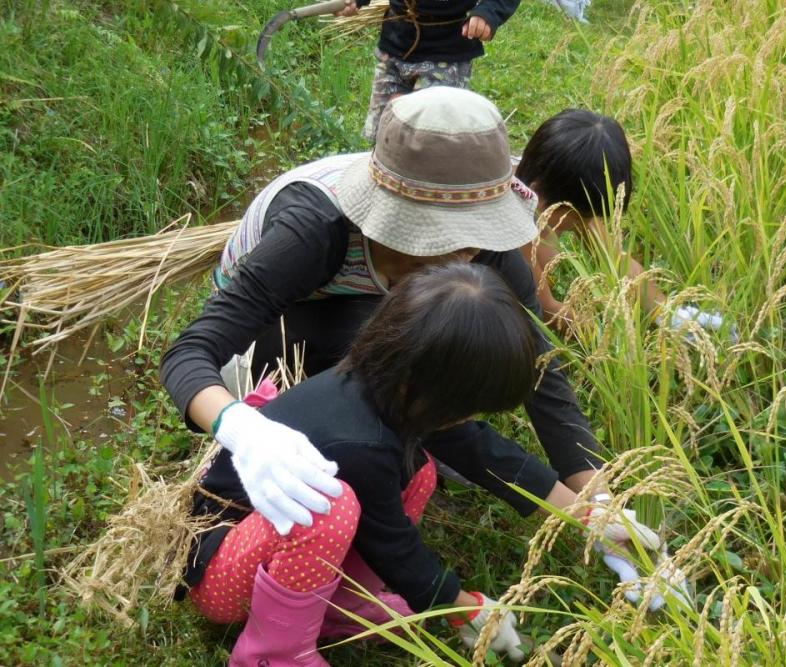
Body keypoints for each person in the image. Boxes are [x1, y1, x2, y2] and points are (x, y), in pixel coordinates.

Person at [160, 87, 656, 579]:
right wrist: (247, 433)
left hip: (374, 312)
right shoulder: (315, 229)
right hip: (283, 331)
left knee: (421, 397)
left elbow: (543, 374)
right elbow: (190, 353)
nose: (467, 256)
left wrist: (598, 502)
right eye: (443, 243)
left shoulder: (483, 240)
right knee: (408, 396)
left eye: (472, 244)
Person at [186, 263, 572, 665]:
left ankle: (341, 608)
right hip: (219, 570)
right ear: (421, 384)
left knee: (417, 471)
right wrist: (465, 608)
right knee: (327, 508)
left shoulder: (389, 385)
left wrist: (592, 515)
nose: (467, 419)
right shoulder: (359, 443)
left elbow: (479, 450)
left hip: (269, 548)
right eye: (466, 408)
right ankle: (274, 653)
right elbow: (394, 547)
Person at [516, 109, 730, 336]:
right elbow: (547, 310)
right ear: (539, 195)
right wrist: (611, 344)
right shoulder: (513, 224)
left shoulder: (563, 187)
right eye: (579, 217)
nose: (586, 223)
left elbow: (615, 259)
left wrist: (667, 313)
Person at [332, 0, 520, 142]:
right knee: (384, 134)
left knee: (430, 138)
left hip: (446, 54)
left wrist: (489, 12)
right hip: (395, 46)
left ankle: (429, 187)